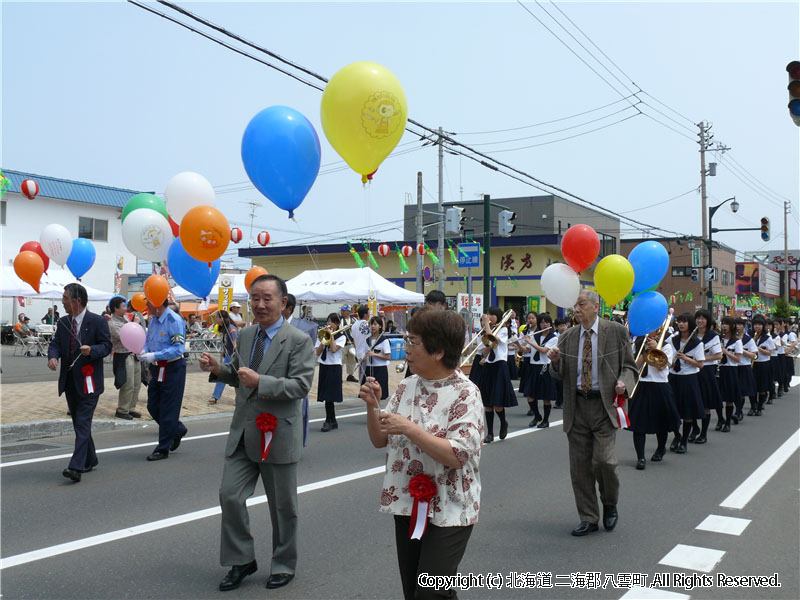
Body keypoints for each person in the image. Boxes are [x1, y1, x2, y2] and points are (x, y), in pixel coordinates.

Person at [199, 274, 315, 592]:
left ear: (283, 303)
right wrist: (218, 369)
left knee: (282, 506)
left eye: (267, 298)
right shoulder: (247, 335)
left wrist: (260, 381)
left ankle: (283, 564)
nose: (260, 304)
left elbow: (301, 386)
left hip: (278, 433)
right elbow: (239, 374)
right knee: (229, 495)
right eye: (255, 298)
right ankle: (242, 560)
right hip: (244, 430)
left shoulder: (299, 340)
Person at [359, 307, 483, 600]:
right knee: (415, 590)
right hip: (407, 501)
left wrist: (409, 428)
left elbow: (458, 455)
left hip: (450, 507)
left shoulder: (466, 393)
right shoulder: (405, 386)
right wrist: (372, 406)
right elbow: (380, 439)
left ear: (438, 351)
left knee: (429, 593)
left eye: (413, 342)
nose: (407, 348)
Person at [547, 289, 637, 536]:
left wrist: (623, 383)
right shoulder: (568, 336)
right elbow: (559, 373)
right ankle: (588, 517)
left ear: (596, 306)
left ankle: (610, 503)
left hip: (604, 406)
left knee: (605, 462)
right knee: (580, 467)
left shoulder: (616, 331)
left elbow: (630, 367)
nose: (576, 309)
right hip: (576, 406)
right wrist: (555, 361)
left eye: (581, 304)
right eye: (575, 305)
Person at [47, 283, 112, 482]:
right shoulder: (64, 322)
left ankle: (75, 467)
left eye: (66, 298)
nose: (63, 302)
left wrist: (92, 350)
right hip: (69, 381)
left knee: (83, 422)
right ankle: (91, 458)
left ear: (78, 301)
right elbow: (56, 343)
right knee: (78, 423)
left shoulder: (97, 321)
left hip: (89, 381)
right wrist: (53, 356)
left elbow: (107, 346)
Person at [137, 299, 188, 461]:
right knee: (153, 406)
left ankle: (163, 448)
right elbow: (147, 341)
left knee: (168, 408)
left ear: (158, 303)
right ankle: (177, 428)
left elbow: (178, 348)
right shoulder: (152, 320)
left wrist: (155, 355)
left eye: (150, 303)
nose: (147, 306)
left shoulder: (174, 320)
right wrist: (144, 351)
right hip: (157, 368)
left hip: (172, 368)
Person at [628, 325, 680, 470]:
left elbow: (661, 366)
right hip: (642, 384)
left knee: (661, 422)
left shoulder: (667, 346)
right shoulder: (638, 343)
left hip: (659, 385)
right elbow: (635, 366)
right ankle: (640, 457)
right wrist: (645, 351)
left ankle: (660, 448)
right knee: (638, 424)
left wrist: (656, 349)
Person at [476, 306, 517, 444]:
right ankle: (490, 433)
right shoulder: (487, 330)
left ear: (497, 317)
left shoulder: (503, 330)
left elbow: (493, 342)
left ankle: (503, 422)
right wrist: (484, 355)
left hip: (500, 366)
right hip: (489, 365)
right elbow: (485, 349)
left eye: (491, 315)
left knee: (498, 402)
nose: (488, 316)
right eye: (487, 314)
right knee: (488, 403)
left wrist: (486, 325)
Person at [281, 293, 317, 446]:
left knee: (299, 411)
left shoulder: (307, 328)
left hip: (296, 377)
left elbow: (310, 355)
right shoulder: (269, 326)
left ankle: (297, 442)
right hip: (276, 377)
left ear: (288, 308)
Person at [667, 313, 705, 452]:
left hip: (688, 379)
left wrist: (685, 358)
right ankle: (677, 435)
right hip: (673, 377)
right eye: (679, 321)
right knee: (671, 410)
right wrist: (670, 362)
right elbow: (668, 359)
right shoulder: (672, 340)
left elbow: (700, 365)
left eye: (684, 322)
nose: (681, 324)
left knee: (687, 412)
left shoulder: (697, 343)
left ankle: (684, 442)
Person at [107, 296, 143, 420]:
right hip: (123, 355)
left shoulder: (126, 318)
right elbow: (125, 337)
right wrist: (135, 324)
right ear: (116, 308)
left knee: (136, 383)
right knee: (127, 384)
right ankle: (122, 409)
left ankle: (131, 408)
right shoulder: (113, 323)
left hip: (134, 354)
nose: (126, 308)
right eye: (123, 306)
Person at [521, 313, 557, 428]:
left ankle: (545, 420)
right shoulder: (534, 335)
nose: (544, 324)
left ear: (550, 324)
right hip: (533, 367)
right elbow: (527, 351)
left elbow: (544, 350)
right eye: (542, 322)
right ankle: (537, 416)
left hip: (545, 367)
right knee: (530, 395)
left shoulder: (553, 337)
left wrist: (530, 342)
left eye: (546, 322)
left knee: (546, 397)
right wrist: (518, 344)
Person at [691, 309, 722, 443]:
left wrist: (701, 358)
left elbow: (718, 355)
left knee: (705, 403)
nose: (700, 321)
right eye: (698, 318)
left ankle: (703, 434)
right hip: (691, 370)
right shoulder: (691, 334)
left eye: (703, 318)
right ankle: (694, 429)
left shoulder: (713, 336)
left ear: (708, 321)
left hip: (706, 371)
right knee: (691, 402)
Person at [315, 313, 347, 432]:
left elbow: (333, 349)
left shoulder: (341, 336)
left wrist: (331, 336)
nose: (329, 324)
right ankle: (332, 420)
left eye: (331, 322)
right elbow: (317, 353)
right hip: (324, 365)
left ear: (337, 324)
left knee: (330, 395)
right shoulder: (323, 335)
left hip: (334, 366)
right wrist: (323, 340)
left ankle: (329, 420)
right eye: (328, 321)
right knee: (325, 395)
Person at [717, 317, 743, 429]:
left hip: (731, 370)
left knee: (729, 398)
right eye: (723, 324)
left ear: (732, 326)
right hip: (719, 369)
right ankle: (720, 419)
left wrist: (726, 352)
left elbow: (738, 359)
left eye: (727, 324)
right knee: (717, 397)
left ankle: (727, 422)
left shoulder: (737, 341)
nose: (724, 326)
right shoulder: (719, 339)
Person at [209, 310, 239, 405]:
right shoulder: (222, 329)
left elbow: (235, 343)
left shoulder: (231, 328)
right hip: (228, 355)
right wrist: (224, 351)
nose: (215, 319)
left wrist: (234, 352)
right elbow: (226, 341)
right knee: (222, 375)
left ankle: (238, 399)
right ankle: (215, 396)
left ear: (221, 318)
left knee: (236, 377)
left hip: (234, 356)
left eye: (217, 317)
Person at [359, 316, 391, 402]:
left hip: (380, 369)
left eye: (375, 324)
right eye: (371, 324)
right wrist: (362, 358)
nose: (372, 326)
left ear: (380, 326)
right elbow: (366, 354)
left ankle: (378, 413)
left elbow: (388, 357)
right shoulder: (367, 340)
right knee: (369, 394)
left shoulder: (384, 340)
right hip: (369, 368)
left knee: (379, 395)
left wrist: (374, 355)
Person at [752, 315, 775, 414]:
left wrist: (758, 348)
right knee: (752, 386)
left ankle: (760, 407)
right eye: (755, 325)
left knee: (762, 386)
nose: (757, 327)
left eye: (759, 325)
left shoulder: (767, 338)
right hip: (753, 364)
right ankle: (753, 406)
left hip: (763, 363)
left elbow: (770, 352)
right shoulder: (750, 336)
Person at [735, 318, 758, 418]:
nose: (738, 327)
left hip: (745, 366)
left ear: (744, 327)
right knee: (738, 391)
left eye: (740, 325)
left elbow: (754, 355)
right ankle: (738, 412)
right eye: (736, 325)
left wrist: (742, 351)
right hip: (734, 366)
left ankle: (753, 406)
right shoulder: (732, 338)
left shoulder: (749, 339)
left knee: (746, 389)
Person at [351, 305, 371, 382]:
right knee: (366, 375)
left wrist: (356, 351)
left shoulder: (354, 325)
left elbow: (353, 340)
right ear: (365, 315)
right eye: (368, 313)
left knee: (361, 373)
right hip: (366, 352)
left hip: (358, 352)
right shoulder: (368, 324)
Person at [339, 304, 358, 382]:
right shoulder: (339, 320)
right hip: (342, 344)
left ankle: (350, 375)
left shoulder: (354, 320)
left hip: (351, 344)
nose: (342, 312)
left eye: (344, 310)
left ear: (349, 311)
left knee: (352, 360)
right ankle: (338, 376)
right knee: (340, 360)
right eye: (342, 310)